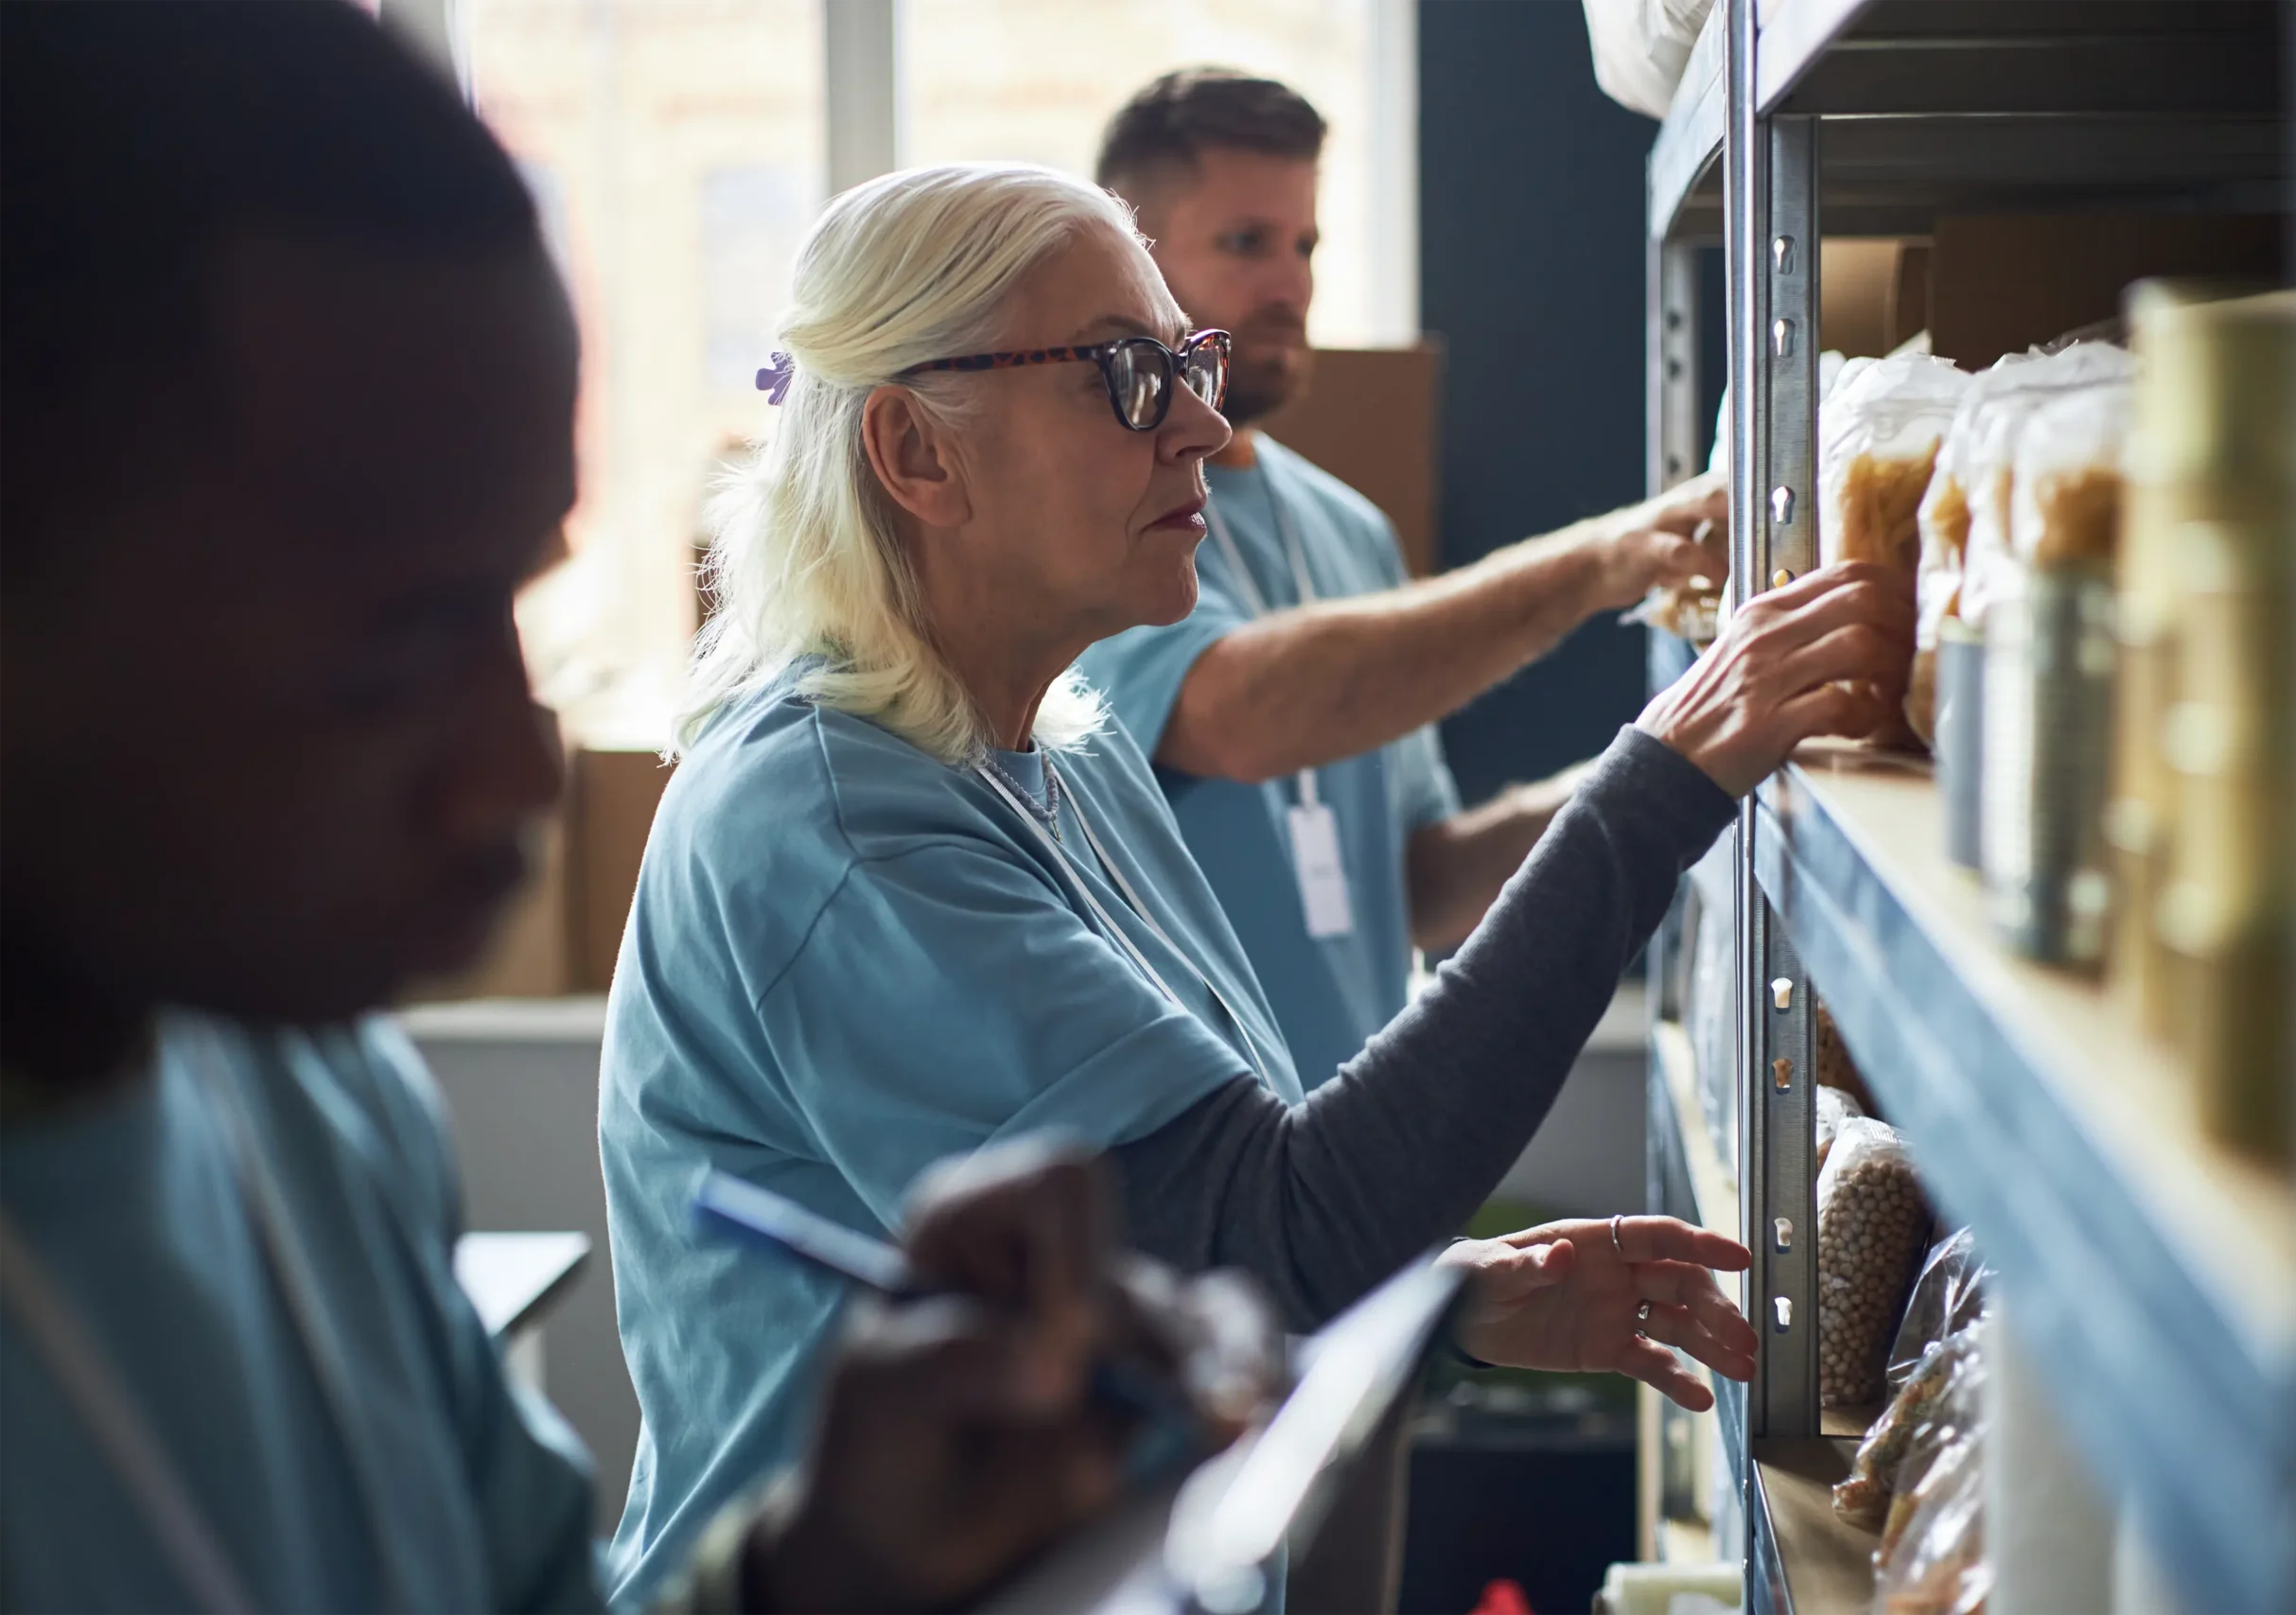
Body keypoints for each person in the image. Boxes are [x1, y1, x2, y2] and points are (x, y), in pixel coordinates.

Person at [0, 4, 1248, 1611]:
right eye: (394, 642)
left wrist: (826, 1568)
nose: (518, 775)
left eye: (511, 602)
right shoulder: (816, 804)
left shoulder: (320, 1102)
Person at [600, 160, 1908, 1599]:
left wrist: (1439, 1293)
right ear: (917, 452)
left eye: (1188, 363)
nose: (1209, 430)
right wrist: (1658, 784)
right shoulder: (829, 820)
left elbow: (1175, 1261)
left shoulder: (1065, 746)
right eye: (1125, 375)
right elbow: (1276, 1233)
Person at [1081, 69, 1731, 1086]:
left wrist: (1674, 757)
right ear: (1135, 263)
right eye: (1246, 243)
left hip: (1351, 1159)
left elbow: (1424, 887)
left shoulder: (1350, 530)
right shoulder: (1099, 514)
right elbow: (1239, 712)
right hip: (1184, 1170)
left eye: (1305, 246)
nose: (1291, 285)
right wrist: (1603, 560)